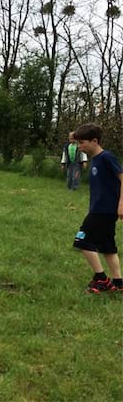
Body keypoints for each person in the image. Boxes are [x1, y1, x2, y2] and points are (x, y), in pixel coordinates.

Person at [72, 123, 123, 293]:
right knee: (108, 246)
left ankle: (101, 279)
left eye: (82, 143)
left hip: (105, 210)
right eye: (78, 143)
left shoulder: (106, 157)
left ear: (95, 141)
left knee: (82, 240)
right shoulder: (95, 160)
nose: (80, 147)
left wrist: (121, 204)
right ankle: (118, 282)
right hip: (98, 210)